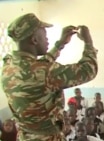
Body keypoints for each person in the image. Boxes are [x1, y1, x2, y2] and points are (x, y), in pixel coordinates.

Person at [1, 13, 98, 141]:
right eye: (45, 35)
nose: (47, 39)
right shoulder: (45, 72)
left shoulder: (8, 65)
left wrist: (59, 45)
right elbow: (88, 70)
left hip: (26, 136)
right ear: (34, 40)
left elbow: (38, 68)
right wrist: (88, 42)